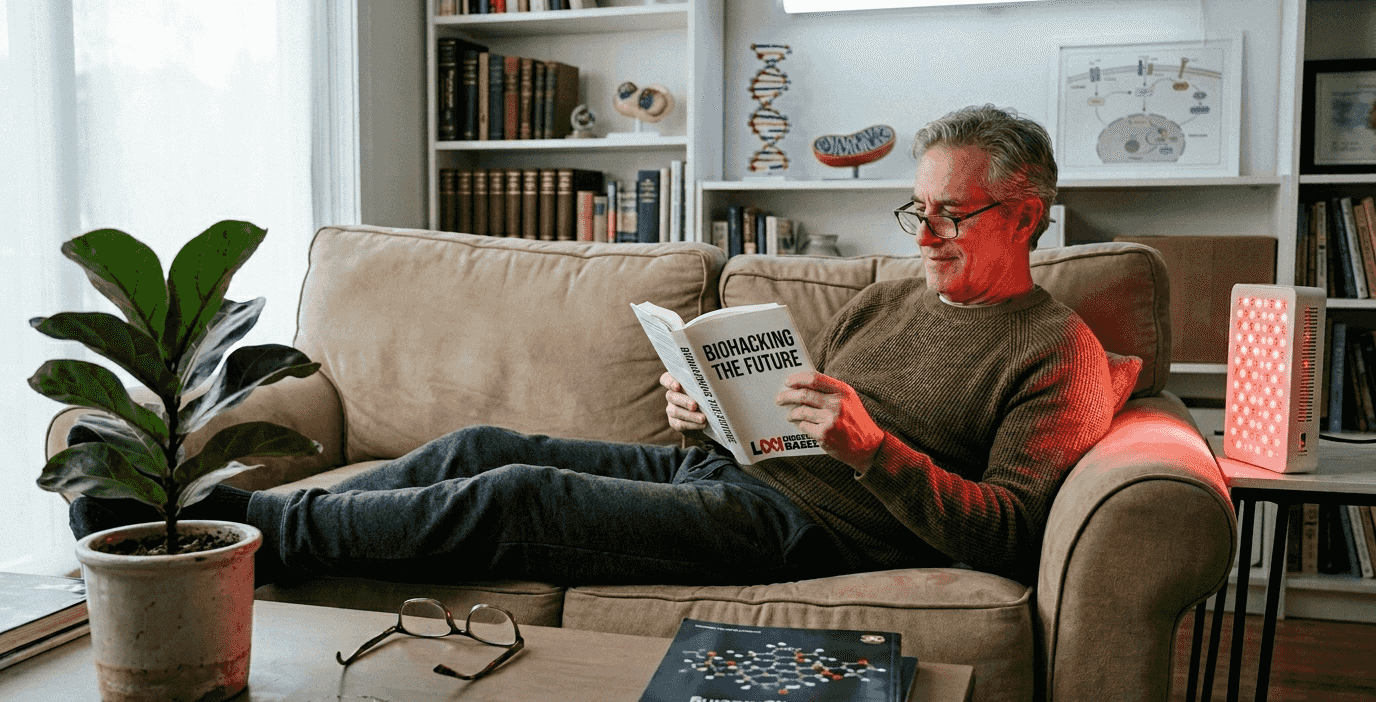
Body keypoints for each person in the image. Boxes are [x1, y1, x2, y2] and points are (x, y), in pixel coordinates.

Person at [69, 104, 1116, 587]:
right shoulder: (889, 301)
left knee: (515, 498)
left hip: (813, 531)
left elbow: (1007, 534)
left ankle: (235, 537)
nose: (924, 235)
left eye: (951, 214)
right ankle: (239, 529)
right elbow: (791, 413)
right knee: (478, 446)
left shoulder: (1054, 352)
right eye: (916, 210)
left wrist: (872, 451)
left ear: (1026, 215)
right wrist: (708, 410)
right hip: (735, 473)